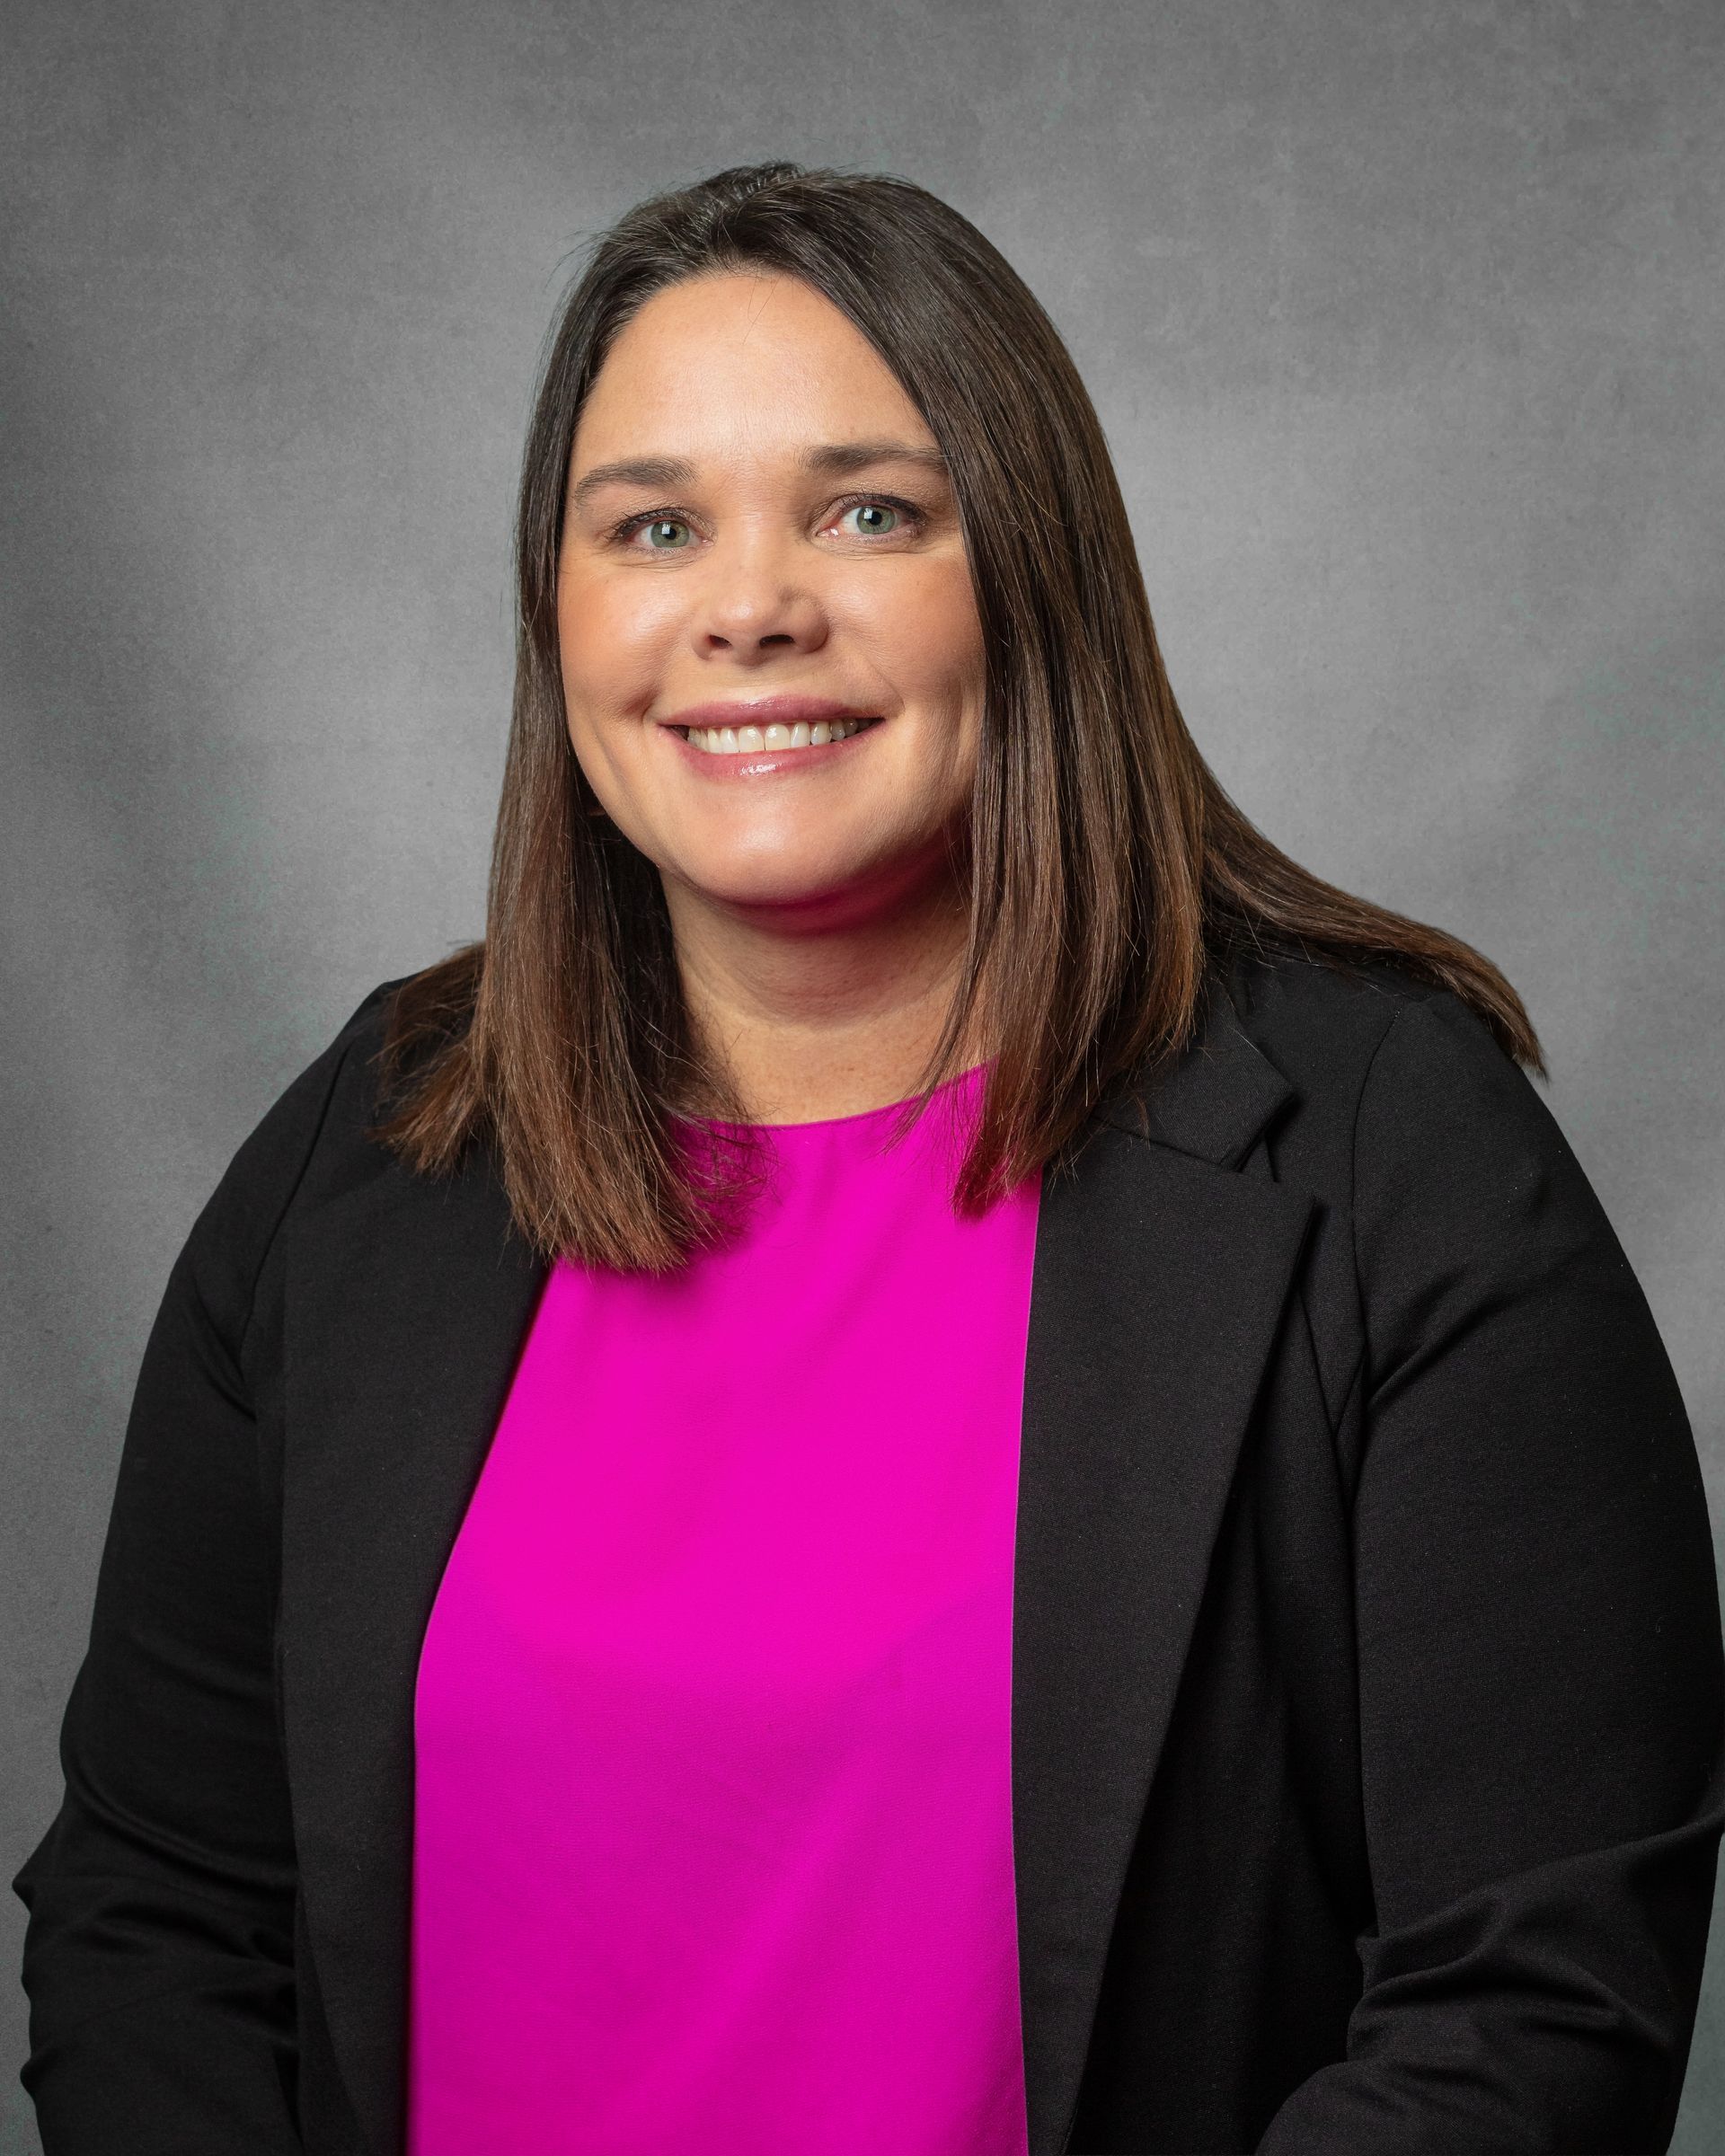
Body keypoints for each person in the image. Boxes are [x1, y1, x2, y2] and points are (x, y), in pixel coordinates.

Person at [13, 160, 1723, 2156]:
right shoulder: (369, 1152)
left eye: (870, 512)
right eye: (653, 526)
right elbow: (157, 1916)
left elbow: (1531, 2005)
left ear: (1034, 572)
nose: (751, 607)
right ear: (558, 614)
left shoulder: (1388, 1149)